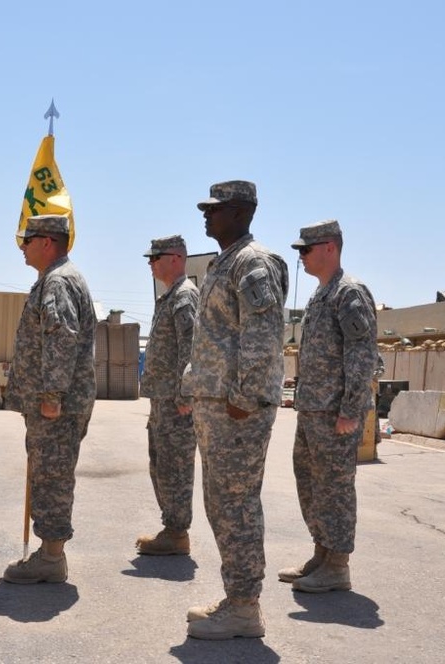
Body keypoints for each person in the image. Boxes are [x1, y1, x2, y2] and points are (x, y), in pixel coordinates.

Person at [181, 180, 288, 640]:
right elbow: (215, 336)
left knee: (237, 505)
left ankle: (245, 607)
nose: (207, 215)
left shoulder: (254, 264)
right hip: (217, 406)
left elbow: (262, 339)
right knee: (222, 504)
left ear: (242, 212)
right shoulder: (225, 263)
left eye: (215, 209)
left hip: (236, 409)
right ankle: (236, 597)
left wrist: (243, 399)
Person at [278, 220, 377, 595]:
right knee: (311, 483)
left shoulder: (349, 293)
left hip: (336, 413)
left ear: (330, 248)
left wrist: (351, 410)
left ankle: (337, 565)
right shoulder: (322, 294)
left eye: (306, 249)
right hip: (313, 410)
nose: (300, 257)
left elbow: (362, 354)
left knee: (334, 487)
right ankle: (321, 554)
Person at [2, 214, 96, 584]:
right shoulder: (55, 279)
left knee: (52, 476)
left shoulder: (58, 281)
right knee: (49, 474)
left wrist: (52, 395)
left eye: (27, 240)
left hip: (58, 406)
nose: (22, 247)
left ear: (47, 242)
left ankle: (51, 557)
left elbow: (61, 338)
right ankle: (50, 552)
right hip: (56, 402)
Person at [135, 235, 199, 556]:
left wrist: (185, 395)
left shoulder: (185, 297)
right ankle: (171, 528)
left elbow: (192, 350)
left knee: (175, 466)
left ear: (175, 258)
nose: (151, 263)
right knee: (160, 464)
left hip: (177, 404)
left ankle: (176, 533)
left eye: (155, 257)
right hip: (163, 401)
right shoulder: (170, 296)